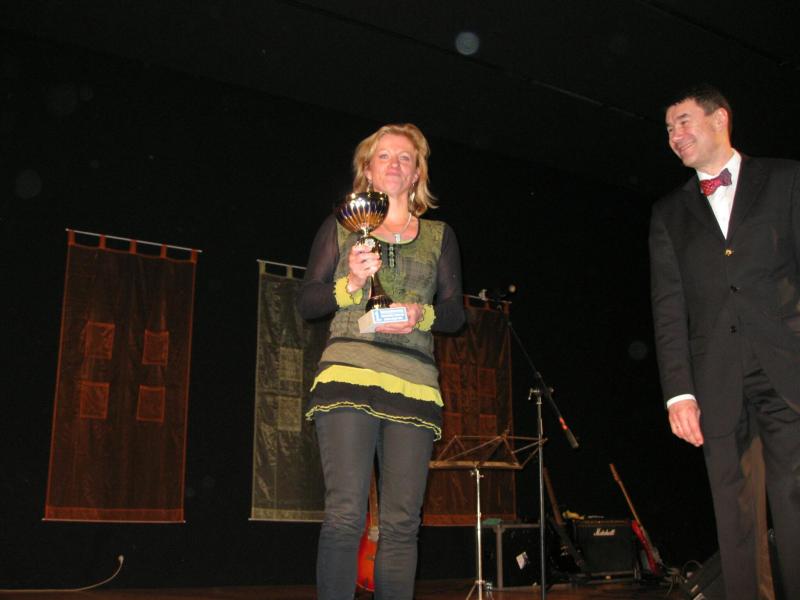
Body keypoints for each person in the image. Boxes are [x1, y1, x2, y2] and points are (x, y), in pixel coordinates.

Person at [297, 123, 465, 600]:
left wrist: (420, 314)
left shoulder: (439, 236)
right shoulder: (340, 227)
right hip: (349, 373)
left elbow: (456, 313)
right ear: (367, 170)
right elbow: (307, 303)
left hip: (413, 384)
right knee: (345, 514)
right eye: (384, 156)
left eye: (405, 157)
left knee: (402, 524)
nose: (395, 164)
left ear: (416, 174)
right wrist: (350, 283)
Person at [650, 84, 800, 600]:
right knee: (735, 519)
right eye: (668, 128)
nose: (675, 135)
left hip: (787, 369)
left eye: (684, 121)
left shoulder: (786, 179)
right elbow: (669, 307)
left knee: (795, 501)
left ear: (719, 120)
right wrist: (679, 392)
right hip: (716, 381)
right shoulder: (668, 213)